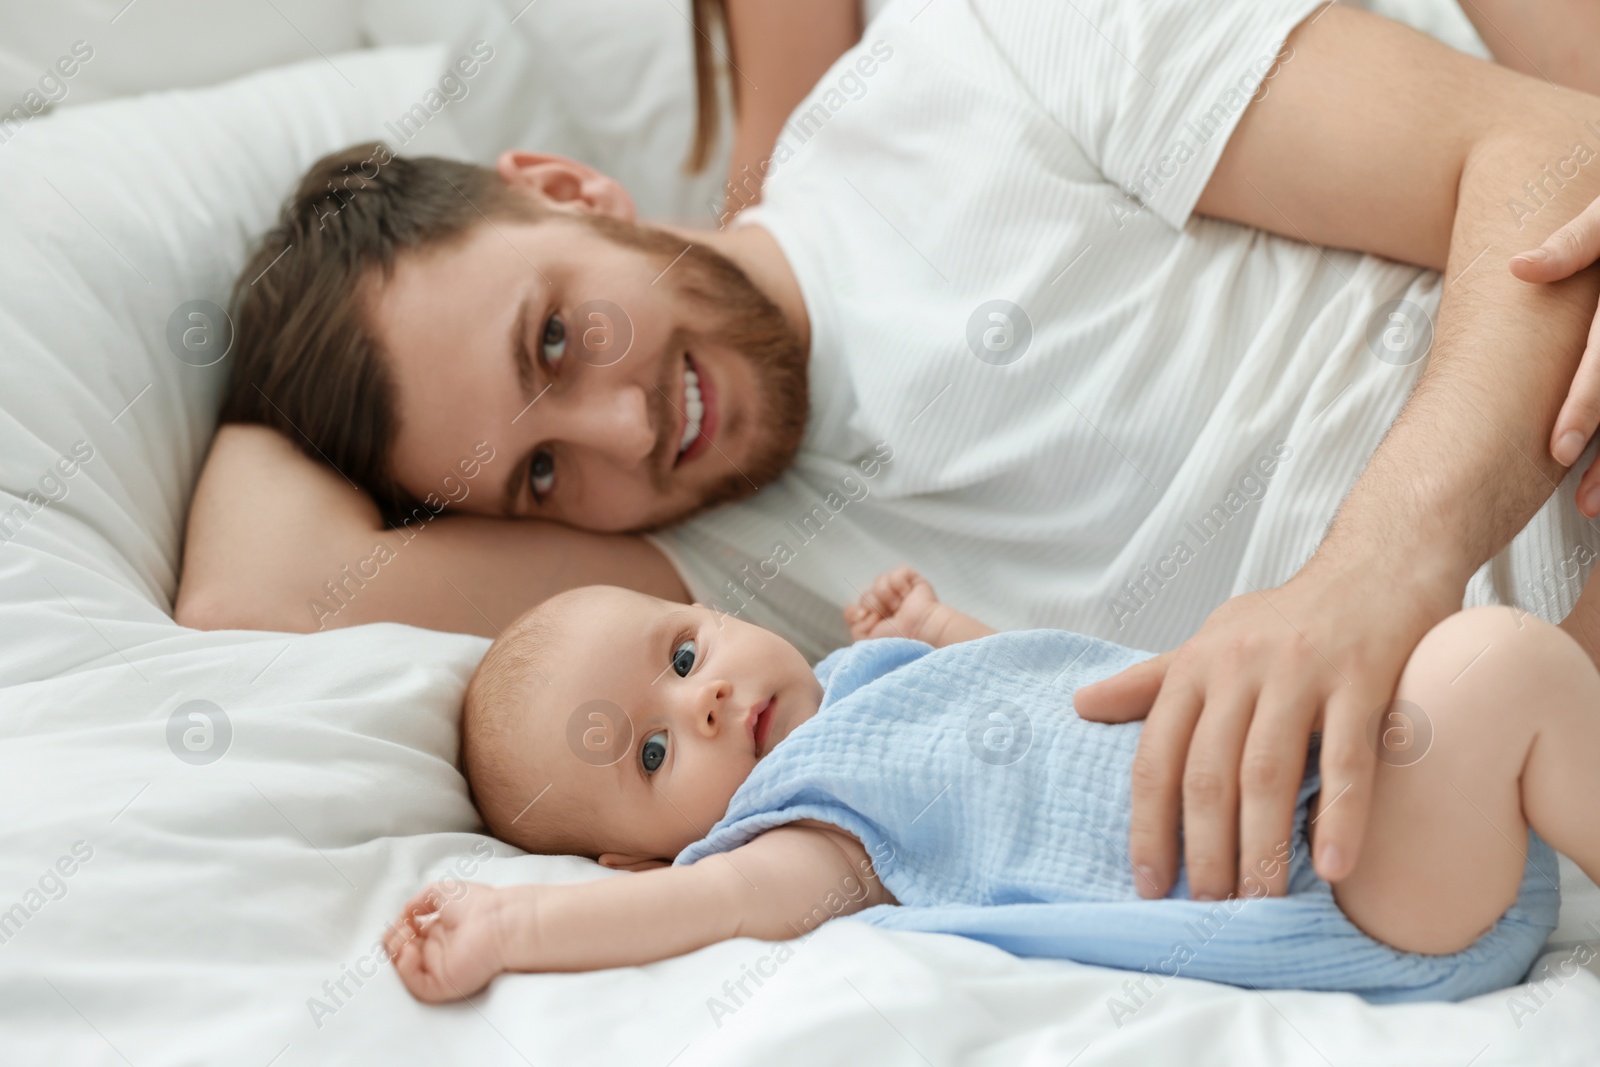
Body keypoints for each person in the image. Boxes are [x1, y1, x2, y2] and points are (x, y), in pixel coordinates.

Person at [178, 0, 1600, 907]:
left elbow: (1545, 157)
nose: (623, 428)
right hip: (1529, 744)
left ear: (562, 187)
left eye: (557, 338)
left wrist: (1363, 582)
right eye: (540, 473)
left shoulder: (979, 58)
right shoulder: (711, 602)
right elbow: (253, 587)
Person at [382, 567, 1600, 1004]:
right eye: (652, 754)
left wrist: (937, 624)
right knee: (1496, 665)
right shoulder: (806, 826)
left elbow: (1036, 691)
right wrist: (513, 921)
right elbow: (705, 910)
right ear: (648, 853)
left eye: (683, 650)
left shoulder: (865, 681)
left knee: (1466, 663)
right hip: (1344, 888)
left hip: (1316, 773)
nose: (698, 700)